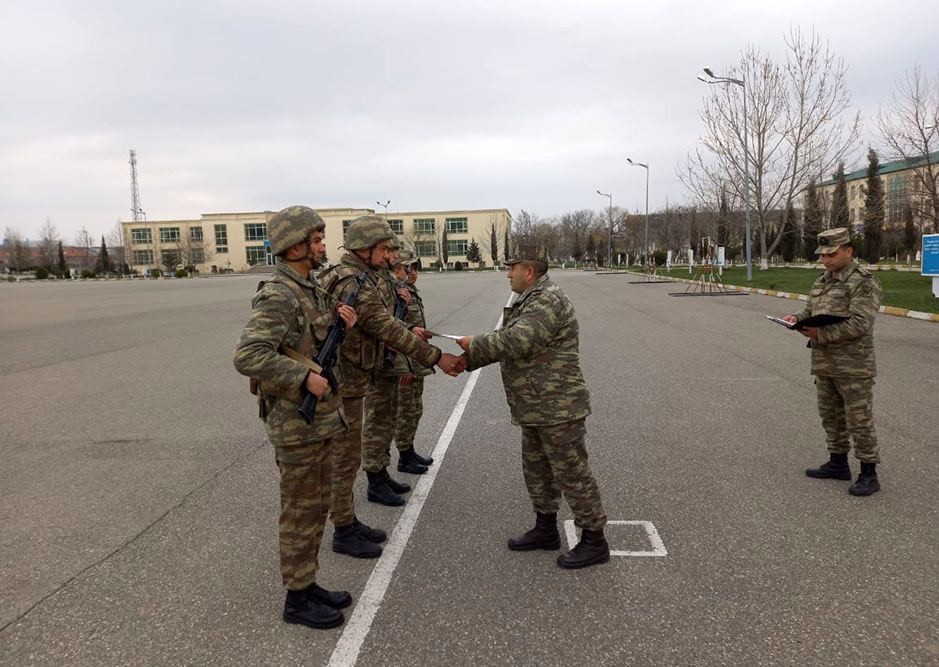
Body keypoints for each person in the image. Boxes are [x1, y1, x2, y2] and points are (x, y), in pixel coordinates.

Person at [233, 205, 356, 630]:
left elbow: (311, 342)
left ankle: (307, 583)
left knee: (317, 506)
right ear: (295, 247)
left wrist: (342, 325)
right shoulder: (279, 294)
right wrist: (303, 378)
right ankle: (297, 598)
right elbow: (249, 355)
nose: (322, 247)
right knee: (300, 510)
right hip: (295, 424)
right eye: (316, 241)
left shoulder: (310, 288)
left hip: (317, 422)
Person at [319, 215, 465, 556]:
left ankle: (347, 520)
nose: (389, 256)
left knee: (349, 456)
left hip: (356, 376)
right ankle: (343, 529)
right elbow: (385, 327)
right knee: (344, 459)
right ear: (364, 248)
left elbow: (385, 324)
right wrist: (436, 357)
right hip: (345, 381)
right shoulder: (351, 281)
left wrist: (409, 331)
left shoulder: (364, 276)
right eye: (384, 249)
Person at [457, 246, 609, 569]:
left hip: (558, 407)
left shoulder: (547, 300)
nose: (508, 274)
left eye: (512, 268)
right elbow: (507, 339)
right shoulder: (528, 300)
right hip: (536, 405)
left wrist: (474, 343)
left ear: (529, 272)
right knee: (538, 471)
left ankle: (595, 540)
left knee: (572, 473)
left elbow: (517, 341)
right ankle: (546, 529)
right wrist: (465, 361)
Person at [784, 227, 884, 496]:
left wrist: (821, 334)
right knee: (831, 416)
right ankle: (838, 463)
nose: (825, 260)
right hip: (824, 361)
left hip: (853, 365)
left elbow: (860, 323)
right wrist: (796, 318)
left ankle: (869, 473)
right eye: (822, 255)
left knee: (859, 420)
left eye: (831, 254)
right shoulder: (823, 280)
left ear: (849, 251)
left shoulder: (864, 282)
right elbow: (811, 309)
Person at [393, 247, 436, 473]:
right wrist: (402, 366)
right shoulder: (396, 293)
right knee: (405, 412)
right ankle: (404, 455)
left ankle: (408, 450)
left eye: (416, 268)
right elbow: (393, 332)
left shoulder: (409, 291)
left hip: (416, 360)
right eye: (409, 268)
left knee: (415, 409)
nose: (413, 272)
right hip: (406, 363)